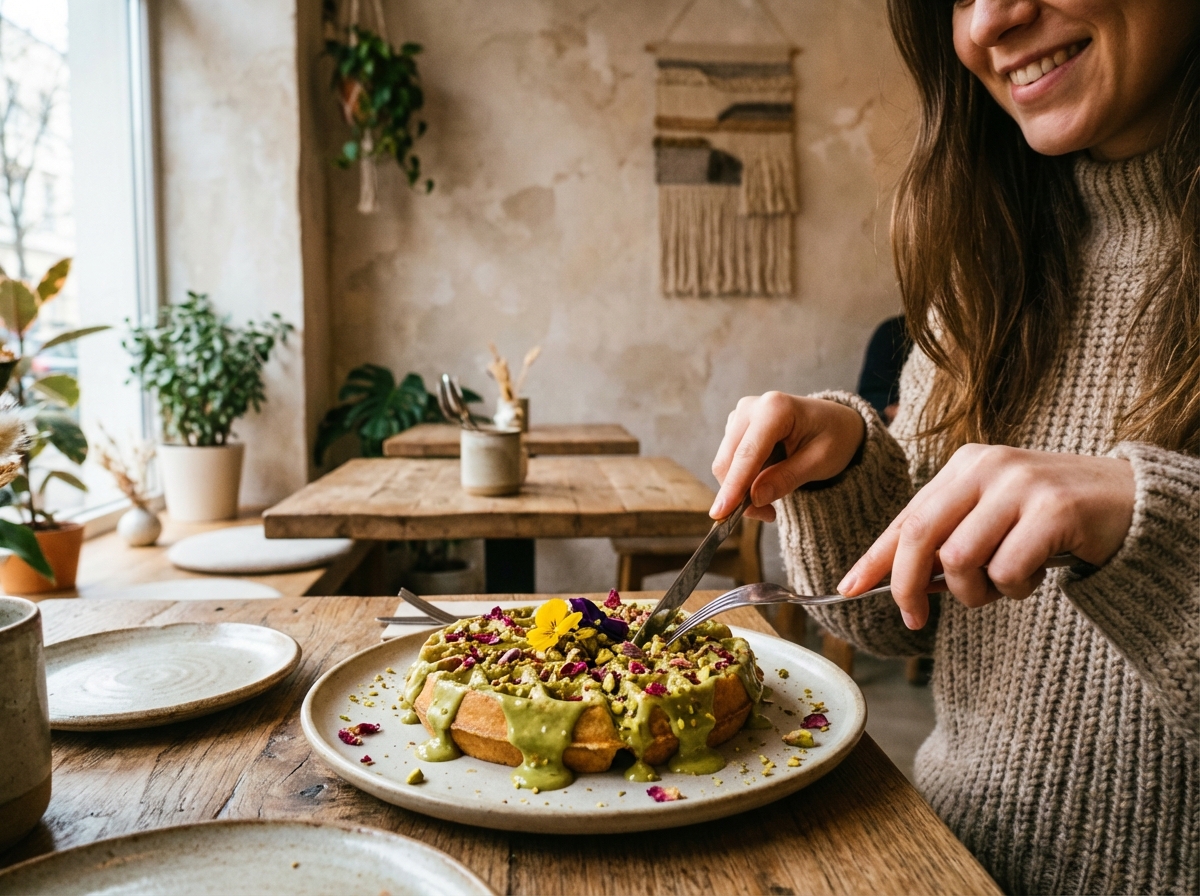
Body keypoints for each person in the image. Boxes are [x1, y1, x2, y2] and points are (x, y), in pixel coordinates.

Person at [709, 2, 1198, 893]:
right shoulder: (991, 251)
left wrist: (1143, 522)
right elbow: (896, 619)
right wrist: (845, 464)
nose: (992, 20)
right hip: (936, 861)